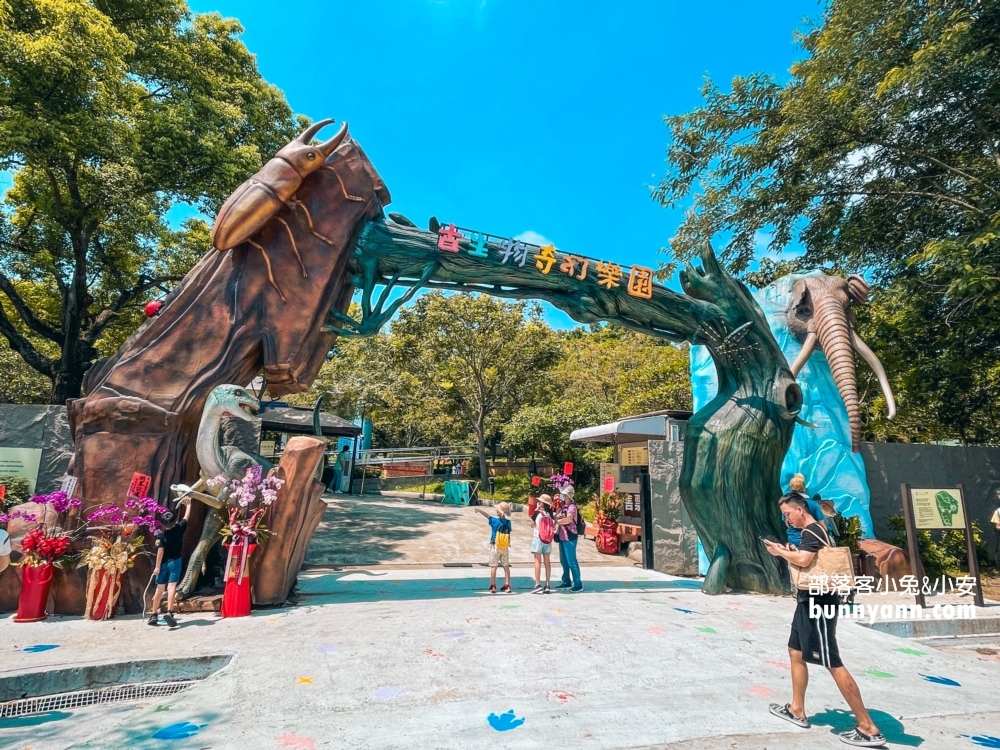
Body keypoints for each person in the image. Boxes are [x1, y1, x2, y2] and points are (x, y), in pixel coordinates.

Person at [764, 492, 886, 748]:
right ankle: (797, 709)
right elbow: (809, 557)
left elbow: (806, 560)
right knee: (795, 651)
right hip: (807, 600)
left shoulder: (811, 530)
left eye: (788, 514)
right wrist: (792, 552)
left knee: (831, 661)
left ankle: (867, 726)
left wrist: (780, 552)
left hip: (817, 603)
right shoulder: (818, 530)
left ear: (799, 510)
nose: (786, 520)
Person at [149, 497, 192, 627]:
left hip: (163, 564)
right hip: (175, 561)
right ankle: (169, 612)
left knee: (159, 589)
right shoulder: (180, 528)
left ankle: (154, 614)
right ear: (175, 521)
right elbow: (186, 517)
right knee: (171, 587)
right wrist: (188, 504)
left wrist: (157, 567)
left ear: (162, 523)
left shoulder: (160, 537)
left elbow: (160, 552)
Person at [475, 502, 512, 593]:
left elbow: (487, 515)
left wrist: (479, 510)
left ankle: (493, 586)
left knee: (493, 566)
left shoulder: (495, 521)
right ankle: (507, 585)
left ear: (499, 512)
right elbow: (509, 531)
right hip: (504, 547)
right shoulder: (508, 522)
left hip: (495, 546)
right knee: (506, 566)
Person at [784, 473, 827, 548]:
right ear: (804, 488)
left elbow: (787, 523)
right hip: (811, 540)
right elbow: (822, 525)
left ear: (791, 488)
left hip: (793, 541)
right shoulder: (814, 504)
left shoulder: (787, 505)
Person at [554, 486, 583, 592]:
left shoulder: (572, 507)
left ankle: (578, 584)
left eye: (563, 494)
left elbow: (569, 519)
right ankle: (566, 581)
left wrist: (559, 521)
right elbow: (556, 516)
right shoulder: (562, 507)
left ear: (568, 495)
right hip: (562, 537)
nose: (561, 496)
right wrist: (558, 517)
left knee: (572, 561)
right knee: (564, 561)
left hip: (570, 537)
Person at [531, 494, 555, 594]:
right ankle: (548, 585)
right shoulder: (550, 514)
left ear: (542, 503)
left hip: (538, 538)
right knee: (547, 562)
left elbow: (531, 525)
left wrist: (536, 509)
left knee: (537, 561)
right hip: (548, 540)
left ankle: (537, 584)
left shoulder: (537, 513)